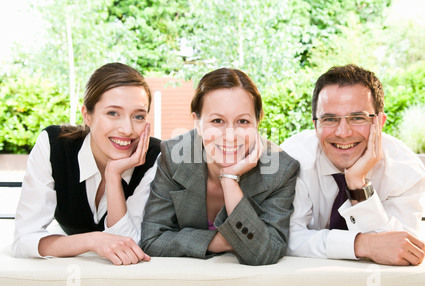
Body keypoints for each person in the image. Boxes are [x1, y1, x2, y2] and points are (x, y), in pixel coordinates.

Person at [140, 68, 299, 265]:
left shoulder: (281, 170)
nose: (230, 135)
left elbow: (266, 252)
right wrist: (220, 242)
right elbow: (151, 240)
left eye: (243, 121)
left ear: (257, 122)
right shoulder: (174, 157)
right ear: (197, 122)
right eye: (217, 121)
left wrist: (229, 179)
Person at [13, 62, 161, 265]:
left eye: (138, 116)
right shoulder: (54, 145)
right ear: (87, 115)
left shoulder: (155, 157)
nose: (127, 129)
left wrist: (113, 176)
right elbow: (24, 240)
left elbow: (129, 244)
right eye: (113, 113)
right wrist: (92, 240)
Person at [281, 64, 425, 266]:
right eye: (330, 119)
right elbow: (286, 237)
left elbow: (402, 250)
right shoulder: (292, 159)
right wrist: (361, 244)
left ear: (380, 122)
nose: (343, 132)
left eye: (358, 118)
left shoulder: (406, 171)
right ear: (315, 126)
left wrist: (358, 184)